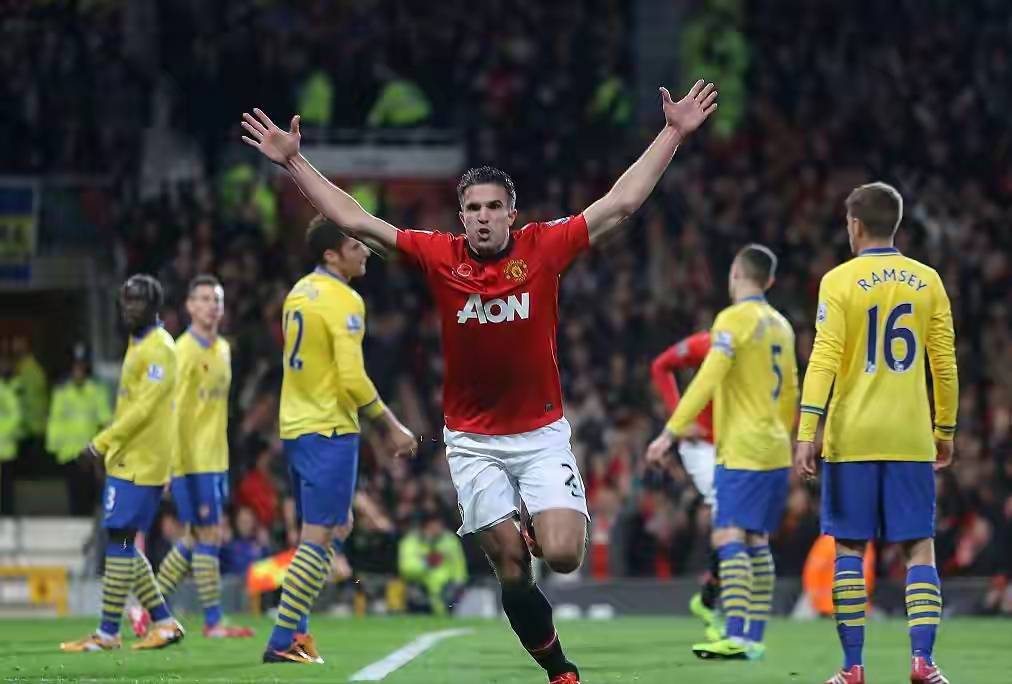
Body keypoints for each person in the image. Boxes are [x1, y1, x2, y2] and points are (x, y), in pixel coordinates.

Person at [241, 77, 717, 684]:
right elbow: (356, 221)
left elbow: (620, 204)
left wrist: (672, 132)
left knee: (563, 555)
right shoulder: (440, 256)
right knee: (510, 565)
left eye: (494, 207)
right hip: (471, 441)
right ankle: (559, 669)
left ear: (512, 214)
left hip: (541, 433)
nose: (483, 217)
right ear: (460, 216)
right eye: (473, 209)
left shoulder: (543, 248)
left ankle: (538, 529)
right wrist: (294, 162)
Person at [794, 183, 958, 684]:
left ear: (855, 225)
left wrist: (807, 429)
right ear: (896, 223)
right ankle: (923, 662)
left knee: (849, 548)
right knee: (919, 548)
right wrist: (945, 428)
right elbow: (944, 363)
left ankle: (853, 667)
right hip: (910, 436)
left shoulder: (839, 281)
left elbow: (824, 357)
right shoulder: (927, 280)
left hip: (853, 437)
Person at [262, 215, 417, 664]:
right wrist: (391, 424)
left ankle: (298, 633)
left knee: (336, 525)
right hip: (329, 429)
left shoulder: (298, 292)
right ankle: (283, 640)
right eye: (354, 245)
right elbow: (351, 377)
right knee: (319, 535)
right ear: (331, 255)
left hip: (296, 427)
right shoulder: (344, 299)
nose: (365, 250)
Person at [645, 244, 798, 662]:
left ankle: (735, 634)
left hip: (742, 447)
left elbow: (708, 377)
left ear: (735, 274)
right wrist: (788, 436)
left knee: (728, 534)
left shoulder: (732, 320)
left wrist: (670, 431)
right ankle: (753, 637)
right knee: (757, 539)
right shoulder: (782, 326)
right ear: (769, 280)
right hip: (776, 447)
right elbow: (792, 390)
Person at [60, 274, 185, 652]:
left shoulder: (160, 348)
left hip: (141, 461)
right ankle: (163, 622)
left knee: (120, 539)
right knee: (124, 541)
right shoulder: (140, 342)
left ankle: (108, 633)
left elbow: (144, 409)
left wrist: (100, 444)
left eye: (138, 302)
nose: (130, 308)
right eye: (126, 301)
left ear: (154, 306)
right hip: (131, 459)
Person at [148, 275, 254, 638]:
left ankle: (148, 608)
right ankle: (213, 621)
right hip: (190, 461)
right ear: (190, 306)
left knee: (196, 537)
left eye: (216, 300)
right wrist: (169, 464)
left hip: (216, 459)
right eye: (204, 299)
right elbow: (171, 412)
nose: (211, 306)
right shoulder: (183, 351)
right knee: (208, 535)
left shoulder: (223, 349)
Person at [650, 330, 721, 641]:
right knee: (728, 512)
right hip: (701, 444)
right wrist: (679, 417)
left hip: (737, 442)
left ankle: (709, 598)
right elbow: (661, 366)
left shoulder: (761, 345)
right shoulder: (708, 343)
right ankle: (721, 610)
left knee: (745, 526)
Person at [45, 344, 111, 515]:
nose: (78, 372)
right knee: (74, 499)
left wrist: (103, 453)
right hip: (68, 455)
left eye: (81, 367)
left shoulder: (96, 391)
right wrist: (53, 449)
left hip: (89, 456)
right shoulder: (62, 392)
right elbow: (55, 422)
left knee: (90, 499)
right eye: (75, 367)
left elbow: (105, 421)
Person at [398, 512, 468, 615]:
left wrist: (458, 583)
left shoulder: (450, 541)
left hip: (446, 588)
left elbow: (459, 565)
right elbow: (406, 569)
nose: (437, 528)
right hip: (420, 587)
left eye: (439, 525)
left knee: (450, 604)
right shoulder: (411, 542)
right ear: (424, 527)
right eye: (432, 526)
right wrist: (426, 563)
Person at [0, 347, 22, 513]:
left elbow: (16, 416)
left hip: (7, 447)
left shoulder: (13, 387)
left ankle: (7, 513)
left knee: (7, 486)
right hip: (5, 443)